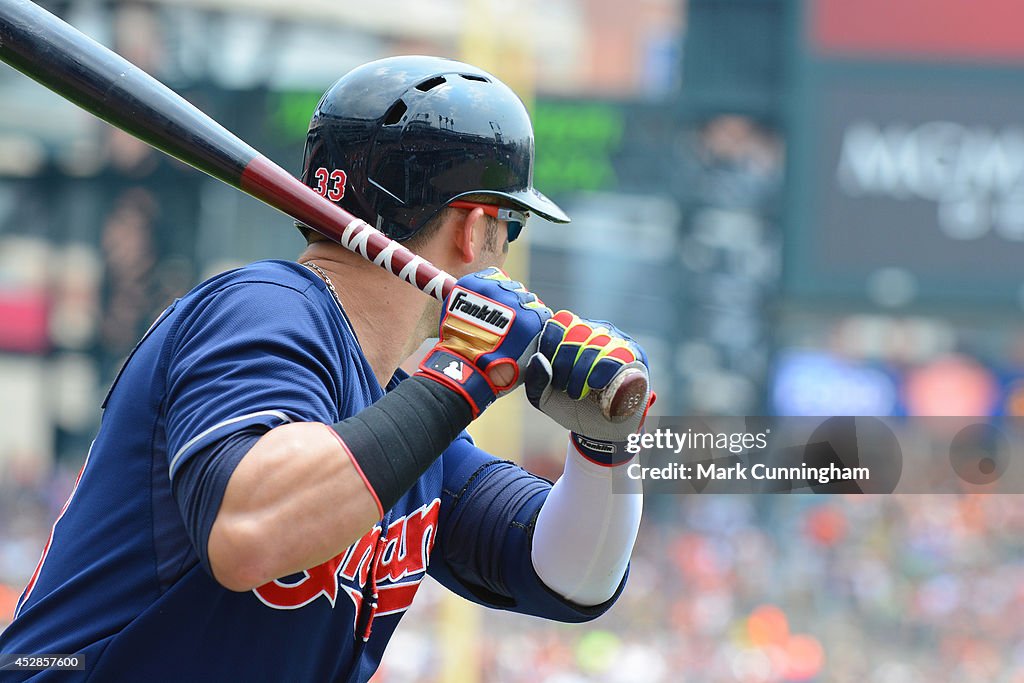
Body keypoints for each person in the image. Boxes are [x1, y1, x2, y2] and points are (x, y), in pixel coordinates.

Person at [0, 56, 652, 682]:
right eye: (509, 225)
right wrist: (463, 374)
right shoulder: (264, 309)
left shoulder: (404, 421)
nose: (507, 252)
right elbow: (247, 530)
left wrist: (604, 447)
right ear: (474, 226)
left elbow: (569, 577)